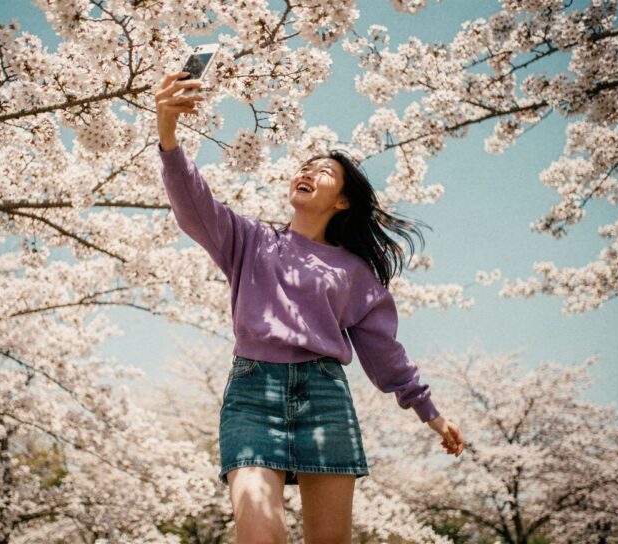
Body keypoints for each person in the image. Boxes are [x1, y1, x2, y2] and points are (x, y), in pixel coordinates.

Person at [155, 71, 465, 544]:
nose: (307, 171)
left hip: (325, 399)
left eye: (324, 171)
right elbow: (194, 204)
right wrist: (168, 135)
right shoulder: (251, 240)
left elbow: (386, 356)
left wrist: (432, 414)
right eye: (306, 165)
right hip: (252, 395)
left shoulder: (356, 273)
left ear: (342, 200)